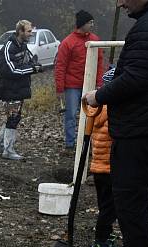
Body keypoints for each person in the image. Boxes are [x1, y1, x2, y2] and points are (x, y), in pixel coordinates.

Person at [84, 0, 148, 247]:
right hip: (141, 128)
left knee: (131, 205)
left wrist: (99, 95)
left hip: (139, 133)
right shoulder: (146, 24)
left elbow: (136, 78)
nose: (121, 2)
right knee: (129, 205)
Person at [0, 19, 43, 160]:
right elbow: (11, 70)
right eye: (29, 31)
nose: (31, 33)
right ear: (20, 31)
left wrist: (35, 65)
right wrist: (32, 69)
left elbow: (28, 62)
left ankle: (0, 146)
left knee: (13, 117)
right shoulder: (9, 47)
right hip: (9, 89)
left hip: (18, 88)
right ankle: (8, 150)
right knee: (13, 118)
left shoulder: (22, 46)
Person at [86, 67, 123, 247]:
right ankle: (100, 244)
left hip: (98, 167)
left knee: (106, 207)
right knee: (110, 210)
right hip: (109, 167)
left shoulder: (99, 109)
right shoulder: (113, 110)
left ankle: (106, 240)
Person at [55, 10, 104, 150]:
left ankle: (88, 141)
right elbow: (60, 66)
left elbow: (99, 62)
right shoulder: (68, 42)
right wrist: (60, 88)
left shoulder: (95, 40)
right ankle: (70, 143)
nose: (92, 25)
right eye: (90, 22)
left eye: (92, 22)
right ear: (82, 24)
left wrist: (99, 83)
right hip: (72, 86)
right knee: (71, 114)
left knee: (92, 113)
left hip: (90, 84)